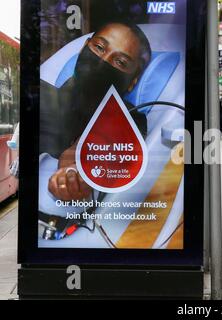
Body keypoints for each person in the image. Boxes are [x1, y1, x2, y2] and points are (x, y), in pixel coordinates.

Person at [40, 21, 151, 201]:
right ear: (85, 47)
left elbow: (110, 142)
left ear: (133, 82)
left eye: (120, 62)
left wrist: (75, 170)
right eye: (99, 47)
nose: (103, 61)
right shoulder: (42, 95)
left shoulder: (130, 118)